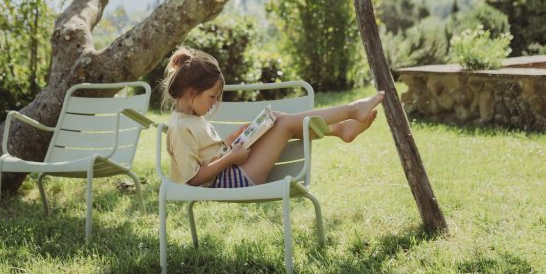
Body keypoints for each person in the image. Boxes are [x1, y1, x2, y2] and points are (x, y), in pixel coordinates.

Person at [163, 47, 385, 190]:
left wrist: (233, 139)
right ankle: (351, 111)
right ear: (192, 93)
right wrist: (230, 158)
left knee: (274, 119)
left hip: (230, 172)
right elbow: (193, 179)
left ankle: (340, 129)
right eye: (212, 97)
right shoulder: (180, 127)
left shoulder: (192, 118)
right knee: (283, 124)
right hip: (228, 182)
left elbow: (209, 154)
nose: (214, 103)